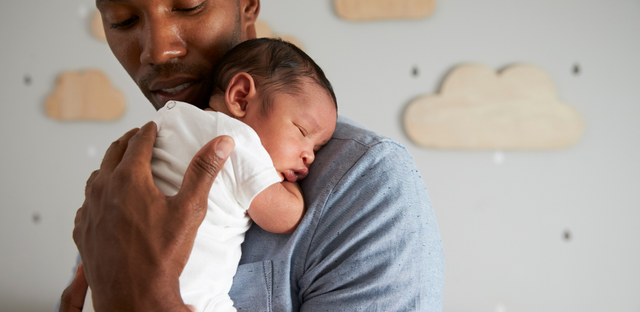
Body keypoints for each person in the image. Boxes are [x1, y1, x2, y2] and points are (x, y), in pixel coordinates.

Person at [61, 0, 445, 311]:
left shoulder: (366, 183)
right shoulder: (127, 173)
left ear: (247, 5)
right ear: (240, 96)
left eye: (189, 5)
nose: (158, 50)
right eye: (123, 20)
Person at [151, 38, 337, 311]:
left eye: (317, 148)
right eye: (301, 132)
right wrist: (289, 187)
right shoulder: (238, 140)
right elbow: (285, 217)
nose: (309, 155)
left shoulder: (169, 120)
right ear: (240, 98)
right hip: (190, 296)